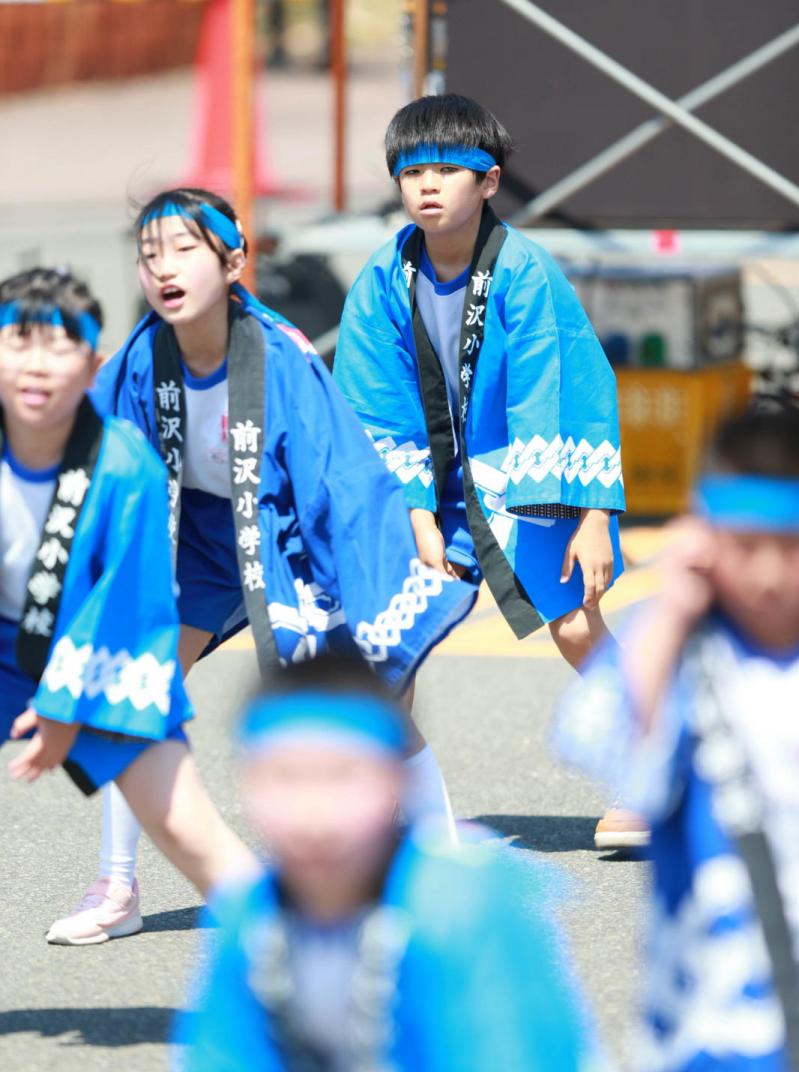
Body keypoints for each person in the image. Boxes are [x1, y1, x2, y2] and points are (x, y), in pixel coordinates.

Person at [53, 187, 475, 948]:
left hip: (290, 542)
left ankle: (440, 871)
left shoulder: (282, 356)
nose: (163, 269)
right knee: (127, 685)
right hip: (198, 542)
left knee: (376, 704)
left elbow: (337, 487)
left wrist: (368, 600)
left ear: (233, 259)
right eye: (150, 256)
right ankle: (118, 886)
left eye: (184, 250)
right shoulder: (140, 361)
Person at [158, 653, 642, 1072]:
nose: (313, 814)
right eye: (284, 780)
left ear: (394, 779)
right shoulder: (250, 917)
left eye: (343, 778)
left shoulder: (463, 907)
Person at [332, 94, 636, 850]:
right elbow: (372, 406)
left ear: (489, 181)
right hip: (429, 488)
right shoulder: (381, 278)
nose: (426, 185)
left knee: (573, 625)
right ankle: (406, 808)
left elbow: (569, 389)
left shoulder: (525, 274)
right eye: (411, 172)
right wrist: (414, 513)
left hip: (528, 483)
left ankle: (646, 778)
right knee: (386, 646)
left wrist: (593, 514)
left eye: (447, 170)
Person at [554, 407, 799, 1072]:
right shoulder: (686, 651)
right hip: (705, 1016)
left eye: (788, 552)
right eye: (743, 550)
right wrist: (672, 606)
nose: (764, 576)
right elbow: (599, 739)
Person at [0, 267, 257, 936]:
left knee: (186, 824)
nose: (35, 365)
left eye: (59, 347)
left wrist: (63, 707)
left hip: (96, 656)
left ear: (94, 365)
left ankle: (322, 967)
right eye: (17, 342)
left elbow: (130, 604)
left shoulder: (124, 464)